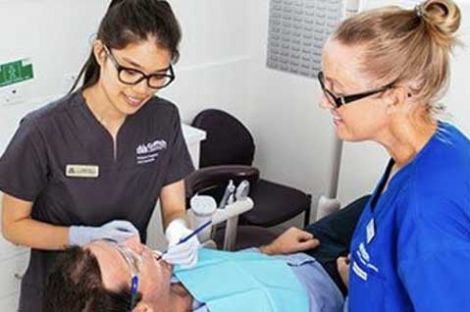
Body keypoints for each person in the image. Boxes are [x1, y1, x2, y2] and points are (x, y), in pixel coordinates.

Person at [0, 1, 200, 310]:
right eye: (131, 71)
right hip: (54, 296)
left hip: (119, 301)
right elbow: (13, 225)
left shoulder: (164, 119)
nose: (142, 89)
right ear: (101, 52)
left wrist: (179, 230)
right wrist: (80, 236)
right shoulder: (42, 131)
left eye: (157, 76)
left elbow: (174, 206)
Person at [317, 0, 470, 310]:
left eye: (337, 92)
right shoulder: (434, 144)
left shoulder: (427, 211)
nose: (324, 102)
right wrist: (362, 283)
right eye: (325, 83)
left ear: (395, 97)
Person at [43, 196, 370, 312]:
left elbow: (235, 269)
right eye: (130, 259)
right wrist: (358, 295)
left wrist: (270, 250)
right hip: (341, 288)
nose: (135, 243)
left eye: (118, 245)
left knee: (379, 200)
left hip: (297, 252)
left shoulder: (173, 269)